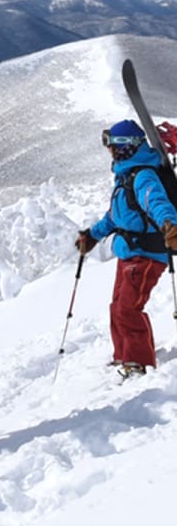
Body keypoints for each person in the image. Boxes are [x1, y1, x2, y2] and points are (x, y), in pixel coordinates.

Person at [76, 119, 177, 378]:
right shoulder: (125, 176)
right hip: (129, 252)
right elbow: (114, 216)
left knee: (128, 309)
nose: (109, 151)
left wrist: (170, 225)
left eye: (112, 146)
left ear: (127, 146)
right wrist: (92, 236)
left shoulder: (143, 175)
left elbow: (155, 201)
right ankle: (123, 356)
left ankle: (138, 362)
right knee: (117, 306)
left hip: (146, 254)